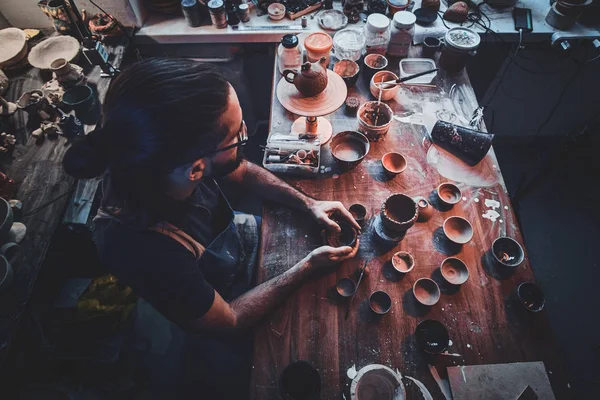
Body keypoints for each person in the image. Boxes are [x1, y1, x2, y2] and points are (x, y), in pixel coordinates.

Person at [62, 58, 360, 398]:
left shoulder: (167, 156)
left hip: (234, 247)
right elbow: (230, 319)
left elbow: (242, 171)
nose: (245, 135)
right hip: (221, 305)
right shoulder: (141, 248)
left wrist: (309, 204)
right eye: (237, 136)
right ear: (195, 170)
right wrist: (307, 265)